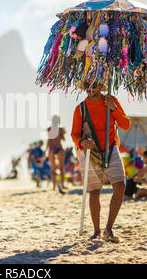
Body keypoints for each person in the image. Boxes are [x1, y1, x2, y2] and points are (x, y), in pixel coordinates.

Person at [71, 80, 131, 242]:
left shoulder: (110, 101)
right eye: (87, 86)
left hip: (111, 148)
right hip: (90, 152)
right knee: (94, 191)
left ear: (100, 86)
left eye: (93, 86)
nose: (90, 89)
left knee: (120, 186)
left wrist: (115, 109)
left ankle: (109, 229)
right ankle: (96, 231)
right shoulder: (80, 109)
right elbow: (74, 134)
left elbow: (126, 125)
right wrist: (82, 143)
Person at [47, 115, 67, 194]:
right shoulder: (60, 129)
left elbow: (49, 141)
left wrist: (46, 151)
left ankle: (54, 186)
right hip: (58, 148)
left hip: (52, 149)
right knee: (60, 168)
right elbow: (63, 140)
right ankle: (61, 184)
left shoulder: (49, 129)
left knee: (53, 169)